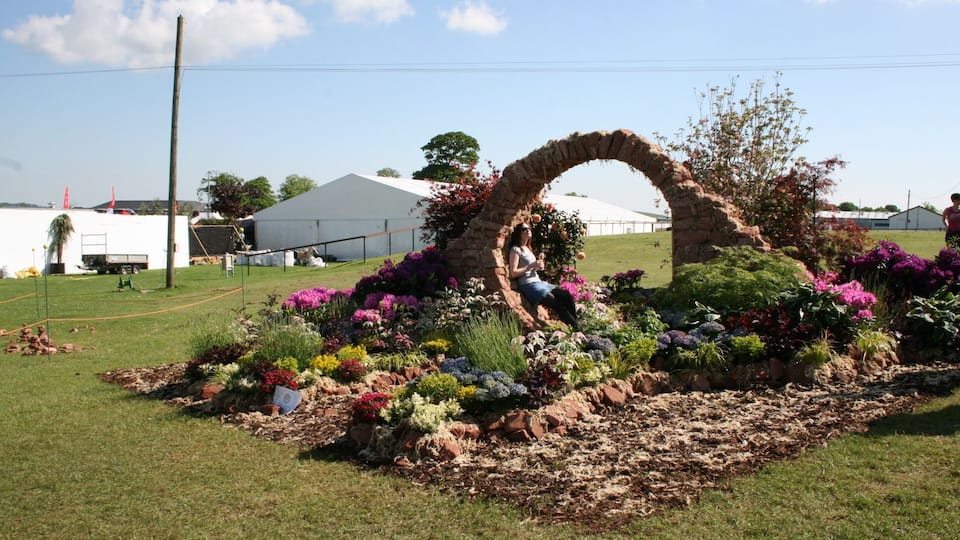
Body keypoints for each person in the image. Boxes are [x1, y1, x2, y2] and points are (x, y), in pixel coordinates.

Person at [507, 222, 579, 331]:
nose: (528, 230)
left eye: (529, 228)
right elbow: (513, 272)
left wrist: (538, 267)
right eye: (524, 229)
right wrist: (531, 265)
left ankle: (576, 325)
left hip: (538, 282)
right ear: (519, 233)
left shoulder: (528, 248)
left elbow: (531, 268)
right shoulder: (516, 250)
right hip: (528, 285)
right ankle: (576, 330)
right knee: (558, 304)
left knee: (566, 295)